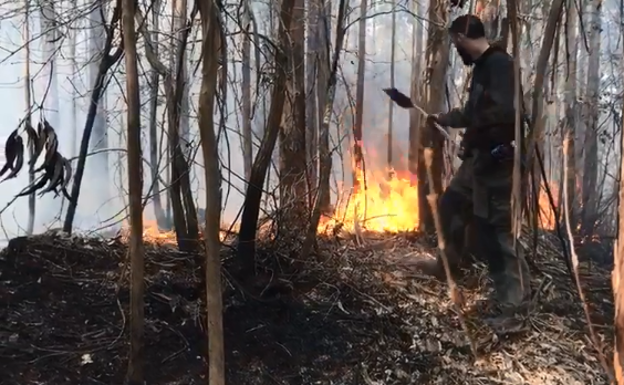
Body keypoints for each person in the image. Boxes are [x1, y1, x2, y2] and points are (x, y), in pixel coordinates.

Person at [413, 14, 531, 330]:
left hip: (499, 163)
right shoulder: (481, 69)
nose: (456, 49)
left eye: (455, 42)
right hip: (478, 162)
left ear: (464, 37)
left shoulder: (501, 65)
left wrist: (476, 132)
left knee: (500, 234)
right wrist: (443, 118)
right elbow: (471, 111)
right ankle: (446, 267)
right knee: (451, 205)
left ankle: (513, 309)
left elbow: (505, 113)